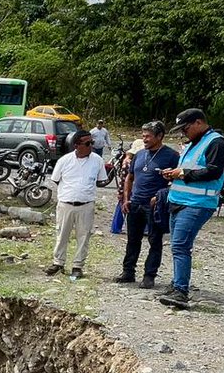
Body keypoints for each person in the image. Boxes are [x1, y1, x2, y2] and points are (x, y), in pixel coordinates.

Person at [158, 108, 224, 309]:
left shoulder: (216, 142)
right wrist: (173, 174)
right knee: (176, 245)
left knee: (180, 246)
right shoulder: (193, 143)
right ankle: (176, 284)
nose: (184, 132)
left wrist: (182, 174)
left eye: (186, 128)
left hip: (197, 204)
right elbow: (190, 169)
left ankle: (181, 291)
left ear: (198, 123)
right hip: (179, 200)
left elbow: (213, 172)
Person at [116, 122, 179, 288]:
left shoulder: (171, 156)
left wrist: (162, 195)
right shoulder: (139, 154)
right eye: (143, 136)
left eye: (148, 136)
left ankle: (149, 275)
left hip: (155, 206)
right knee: (132, 239)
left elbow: (178, 181)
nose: (144, 139)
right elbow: (130, 177)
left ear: (159, 136)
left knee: (154, 240)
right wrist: (126, 198)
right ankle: (128, 272)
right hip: (135, 203)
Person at [45, 130, 108, 280]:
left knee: (83, 236)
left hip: (86, 205)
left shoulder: (97, 160)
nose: (91, 146)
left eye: (92, 142)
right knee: (62, 234)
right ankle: (58, 263)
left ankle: (77, 266)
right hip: (66, 204)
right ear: (76, 145)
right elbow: (55, 179)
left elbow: (101, 181)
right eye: (87, 143)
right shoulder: (64, 160)